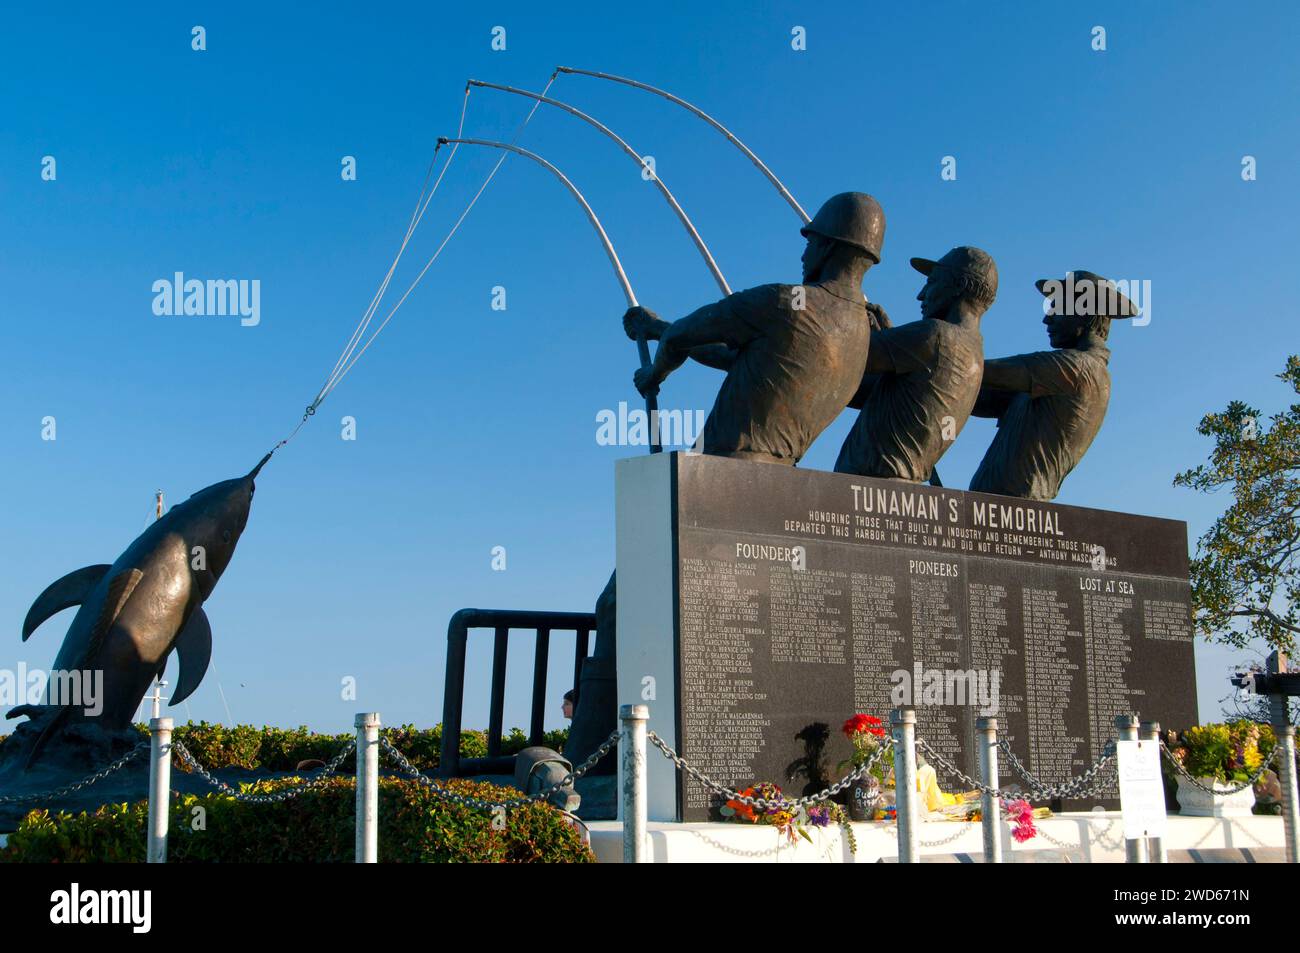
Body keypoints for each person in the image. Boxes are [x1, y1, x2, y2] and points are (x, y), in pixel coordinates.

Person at [564, 192, 888, 769]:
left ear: (833, 245)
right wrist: (662, 328)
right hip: (780, 489)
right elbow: (749, 356)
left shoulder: (789, 302)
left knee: (619, 602)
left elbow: (689, 335)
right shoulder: (860, 330)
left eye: (811, 239)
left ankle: (588, 766)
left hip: (719, 481)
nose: (805, 250)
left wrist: (655, 365)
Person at [968, 271, 1139, 500]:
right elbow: (974, 396)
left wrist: (945, 345)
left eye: (1056, 308)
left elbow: (975, 369)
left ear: (1084, 313)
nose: (1047, 319)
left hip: (1017, 506)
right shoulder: (1053, 379)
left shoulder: (1077, 368)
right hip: (998, 509)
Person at [834, 246, 997, 482]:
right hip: (890, 488)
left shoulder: (936, 335)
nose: (921, 294)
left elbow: (842, 356)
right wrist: (890, 341)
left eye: (932, 282)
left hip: (873, 485)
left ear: (958, 286)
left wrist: (849, 306)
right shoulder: (971, 352)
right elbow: (864, 391)